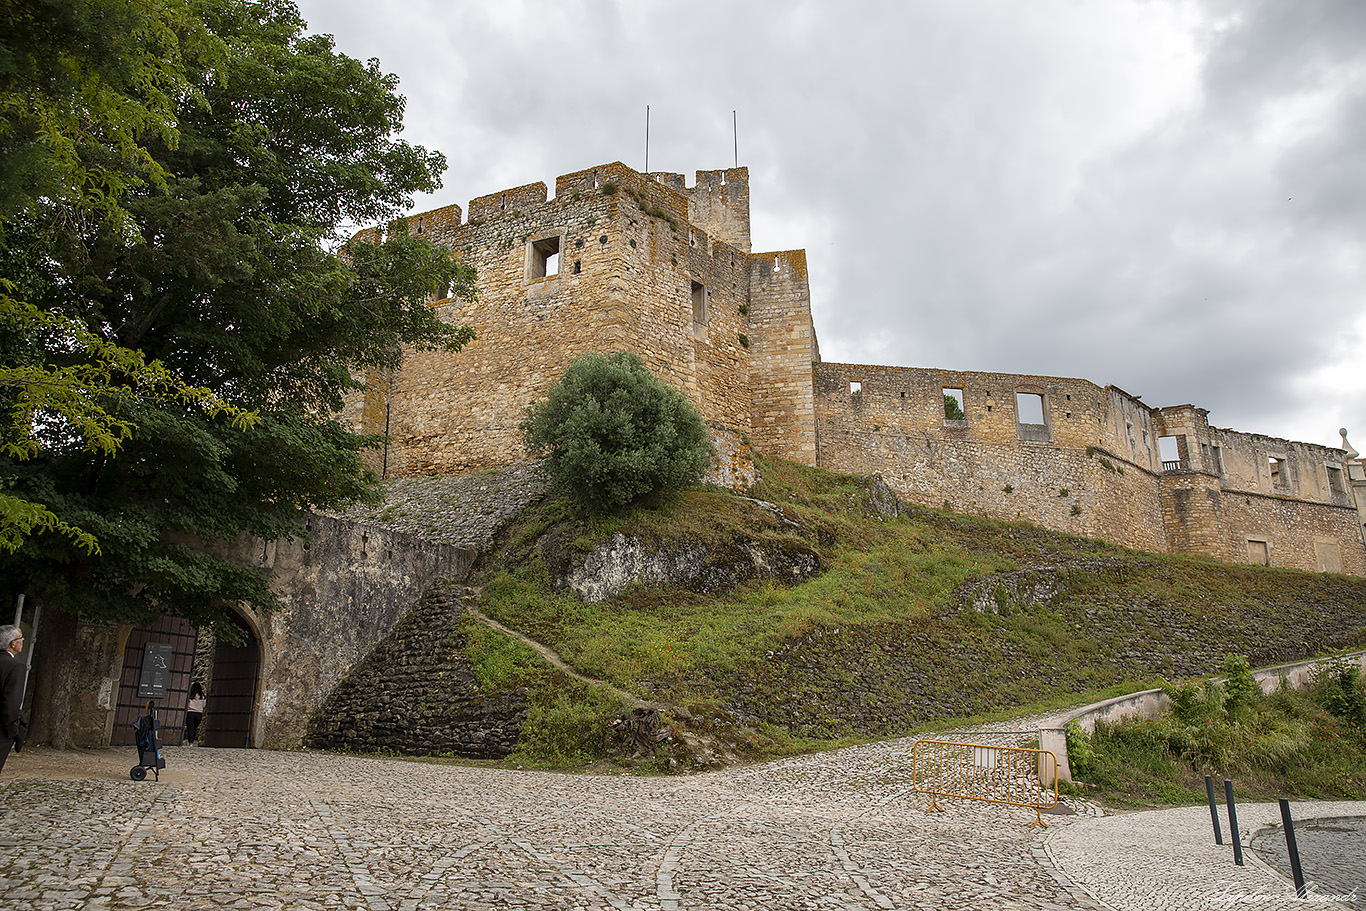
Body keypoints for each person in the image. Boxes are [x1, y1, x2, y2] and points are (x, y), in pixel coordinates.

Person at [0, 625, 27, 772]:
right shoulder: (15, 667)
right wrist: (13, 730)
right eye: (21, 639)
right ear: (13, 643)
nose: (22, 641)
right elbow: (12, 702)